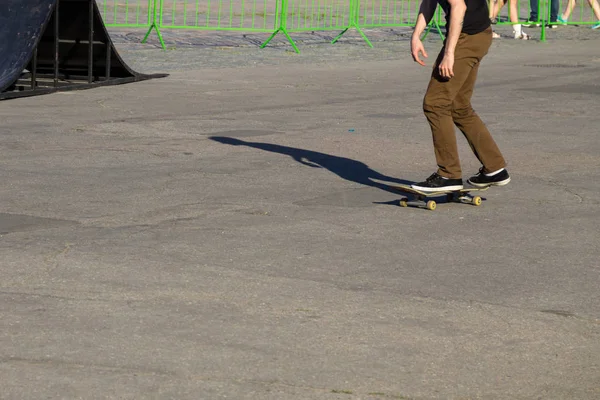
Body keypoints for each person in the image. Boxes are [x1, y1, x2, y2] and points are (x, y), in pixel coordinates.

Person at [410, 0, 511, 192]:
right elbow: (429, 2)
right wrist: (416, 35)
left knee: (435, 104)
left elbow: (459, 6)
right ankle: (494, 168)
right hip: (477, 34)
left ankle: (448, 174)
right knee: (459, 106)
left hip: (467, 37)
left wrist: (449, 54)